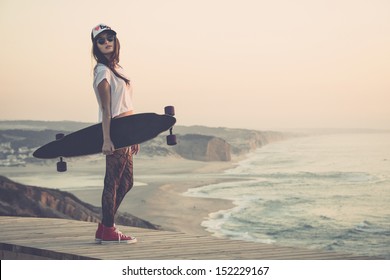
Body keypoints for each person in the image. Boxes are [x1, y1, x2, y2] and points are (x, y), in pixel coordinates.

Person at [91, 24, 139, 244]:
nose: (106, 42)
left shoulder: (117, 68)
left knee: (127, 181)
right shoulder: (102, 71)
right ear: (96, 45)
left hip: (127, 131)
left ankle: (104, 227)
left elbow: (128, 104)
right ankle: (109, 230)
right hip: (117, 131)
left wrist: (135, 135)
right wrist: (107, 139)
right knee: (112, 181)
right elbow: (106, 109)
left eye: (109, 37)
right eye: (101, 40)